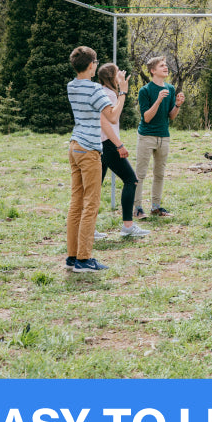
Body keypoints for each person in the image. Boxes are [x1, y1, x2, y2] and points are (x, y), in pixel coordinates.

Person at [65, 46, 127, 273]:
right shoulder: (94, 90)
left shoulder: (71, 86)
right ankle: (84, 259)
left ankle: (72, 257)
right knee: (91, 204)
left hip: (74, 146)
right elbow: (112, 116)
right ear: (91, 65)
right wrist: (123, 92)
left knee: (76, 203)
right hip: (90, 149)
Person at [97, 63, 150, 238]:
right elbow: (111, 120)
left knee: (95, 187)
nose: (121, 73)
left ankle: (90, 228)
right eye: (117, 72)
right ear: (112, 77)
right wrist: (118, 144)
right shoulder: (109, 94)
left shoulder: (104, 92)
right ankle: (128, 226)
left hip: (101, 145)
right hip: (108, 145)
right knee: (131, 180)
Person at [133, 56, 185, 219]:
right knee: (140, 174)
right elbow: (146, 117)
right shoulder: (145, 91)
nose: (166, 67)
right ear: (153, 71)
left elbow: (171, 117)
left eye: (166, 65)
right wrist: (158, 100)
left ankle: (156, 207)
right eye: (162, 65)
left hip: (164, 137)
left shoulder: (170, 88)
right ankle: (137, 208)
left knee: (160, 174)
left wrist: (177, 105)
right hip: (146, 136)